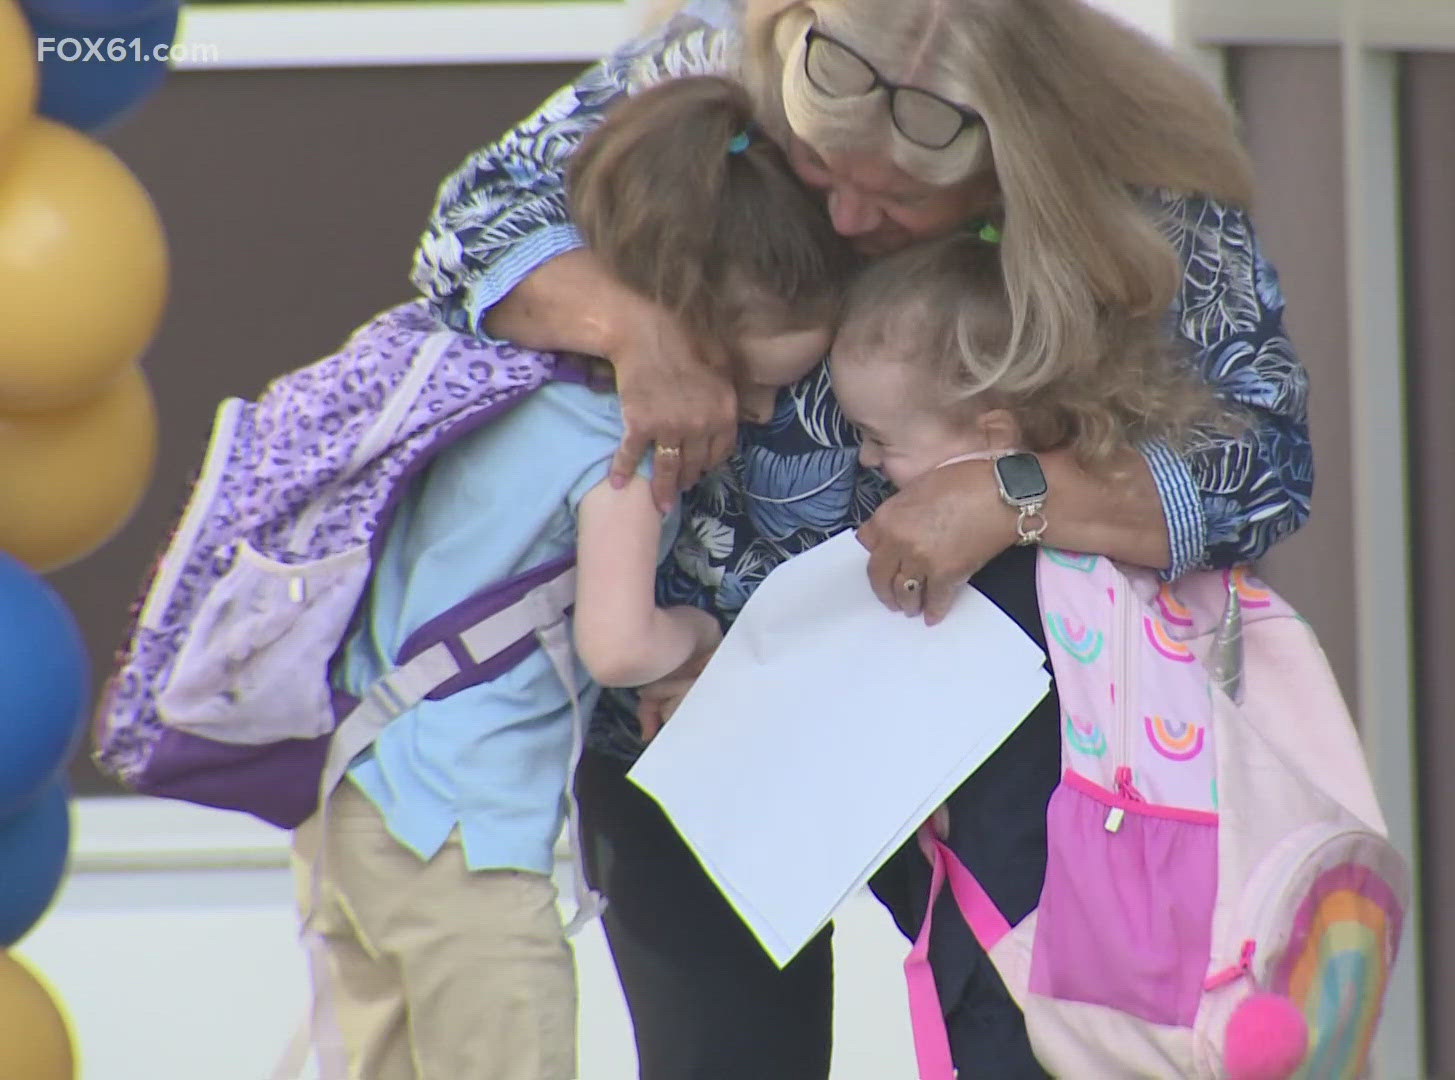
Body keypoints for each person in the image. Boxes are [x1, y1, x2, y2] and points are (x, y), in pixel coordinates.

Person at [409, 0, 1315, 1074]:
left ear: (1011, 163)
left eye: (897, 200)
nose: (843, 219)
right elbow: (471, 226)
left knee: (1030, 1046)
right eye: (817, 167)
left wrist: (1009, 493)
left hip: (987, 715)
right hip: (673, 714)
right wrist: (640, 330)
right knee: (722, 1059)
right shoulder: (712, 51)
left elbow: (1258, 461)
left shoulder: (1131, 163)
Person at [291, 74, 854, 1080]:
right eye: (756, 379)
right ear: (685, 330)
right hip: (464, 837)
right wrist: (697, 639)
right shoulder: (624, 451)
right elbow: (618, 642)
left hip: (352, 800)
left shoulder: (510, 380)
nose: (765, 412)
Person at [834, 231, 1236, 1075]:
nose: (868, 463)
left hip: (1003, 953)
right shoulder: (1111, 552)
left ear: (993, 431)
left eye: (880, 438)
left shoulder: (963, 591)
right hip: (1130, 955)